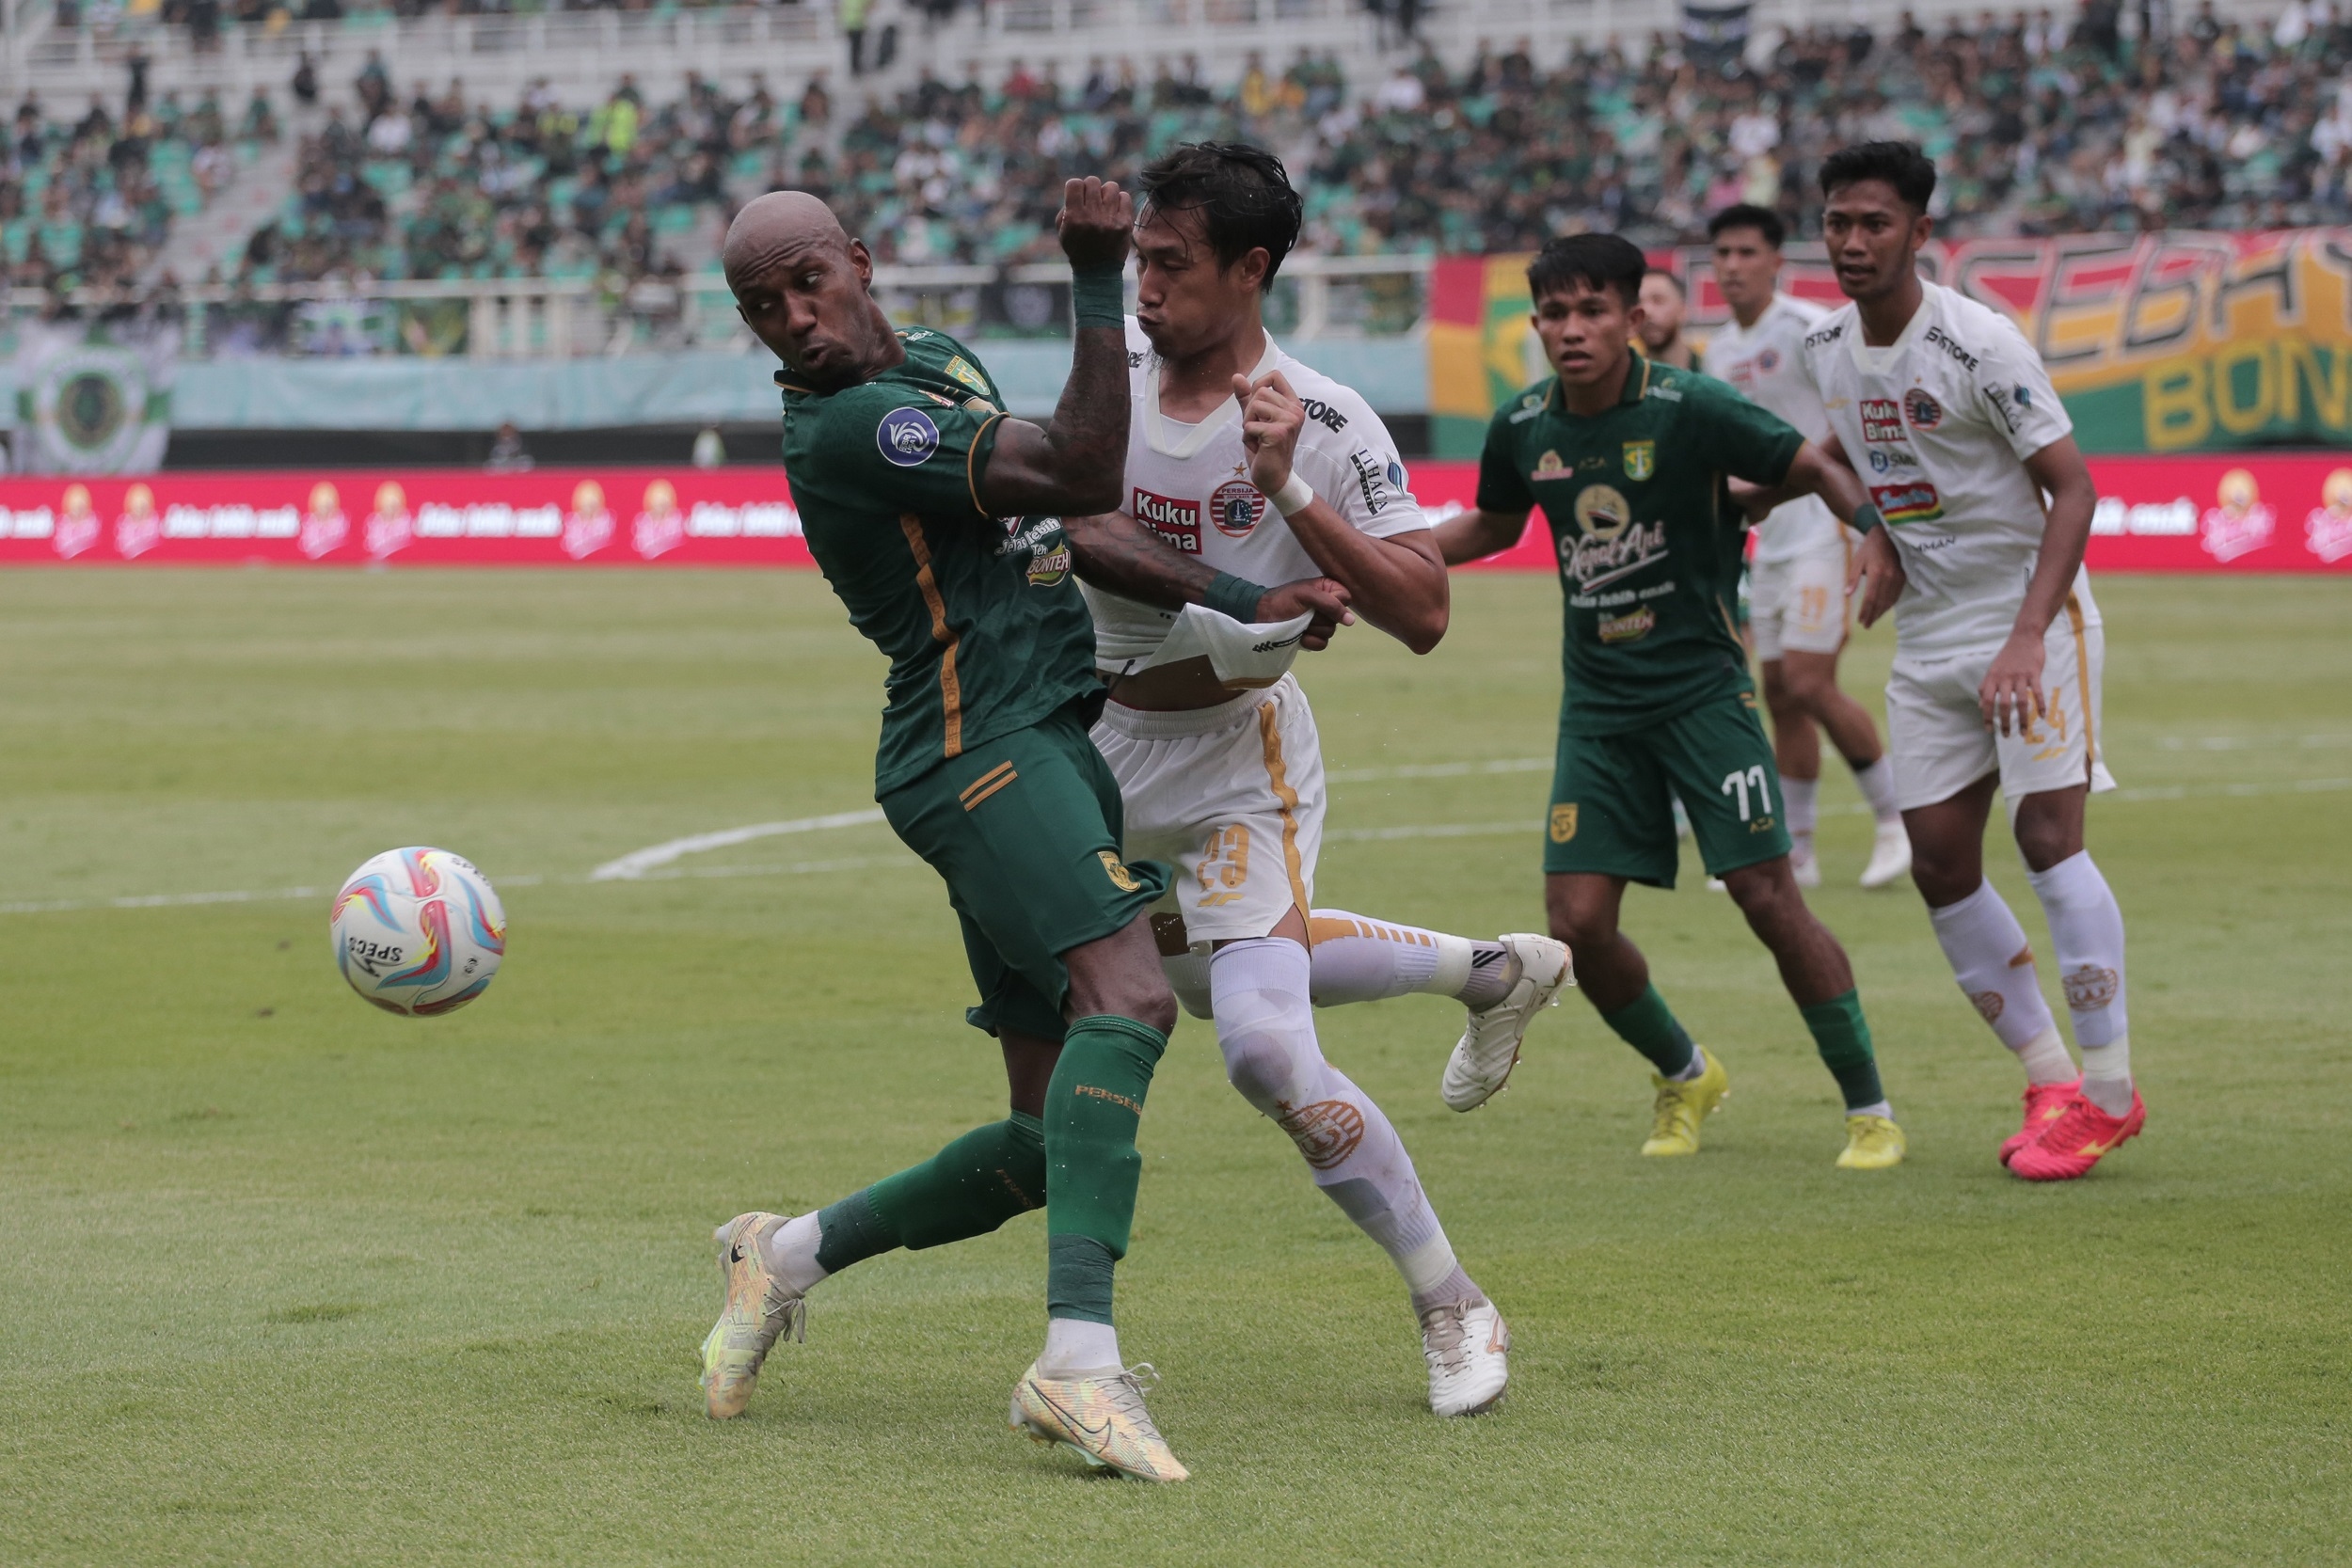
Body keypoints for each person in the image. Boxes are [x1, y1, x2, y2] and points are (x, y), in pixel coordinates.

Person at [701, 182, 1334, 1481]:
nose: (791, 318)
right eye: (761, 306)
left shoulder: (931, 363)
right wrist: (1098, 278)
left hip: (1042, 738)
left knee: (1046, 1138)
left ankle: (784, 1254)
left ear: (859, 262)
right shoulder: (850, 424)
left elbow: (1074, 521)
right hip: (977, 748)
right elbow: (1086, 466)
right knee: (1135, 998)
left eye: (807, 282)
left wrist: (1242, 593)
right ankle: (1079, 1363)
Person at [1064, 143, 1568, 1417]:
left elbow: (1425, 609)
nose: (1148, 290)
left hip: (1243, 760)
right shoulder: (1104, 385)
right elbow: (1062, 518)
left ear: (1250, 270)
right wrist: (1239, 591)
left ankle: (1452, 1298)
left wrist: (1289, 484)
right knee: (1190, 973)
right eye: (1139, 263)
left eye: (1172, 265)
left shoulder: (1328, 420)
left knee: (1264, 1045)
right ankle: (1491, 968)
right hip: (1099, 745)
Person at [1433, 233, 1905, 1170]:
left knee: (1768, 898)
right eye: (1555, 315)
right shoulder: (1523, 424)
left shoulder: (1690, 408)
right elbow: (1491, 520)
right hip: (1598, 711)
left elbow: (1804, 464)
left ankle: (1870, 1107)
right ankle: (1685, 1072)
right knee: (1574, 923)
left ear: (1631, 315)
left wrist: (1870, 532)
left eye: (1592, 311)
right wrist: (1374, 555)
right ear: (1536, 325)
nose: (1572, 331)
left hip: (1702, 695)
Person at [1799, 143, 2141, 1180]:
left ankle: (2111, 1092)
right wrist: (1875, 534)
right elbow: (1857, 457)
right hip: (1931, 634)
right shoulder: (1824, 347)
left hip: (2026, 617)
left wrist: (2030, 632)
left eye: (1875, 224)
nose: (1853, 242)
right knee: (1941, 859)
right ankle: (2049, 1080)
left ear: (1918, 234)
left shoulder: (1979, 342)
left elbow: (2071, 489)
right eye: (1838, 223)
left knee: (2046, 835)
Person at [1704, 203, 1910, 890]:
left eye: (1745, 253)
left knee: (1809, 680)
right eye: (1722, 254)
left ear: (1774, 261)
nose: (1732, 266)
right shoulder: (1719, 350)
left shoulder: (1808, 331)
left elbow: (1853, 415)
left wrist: (1865, 524)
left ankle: (1894, 820)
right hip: (1772, 539)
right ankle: (1800, 850)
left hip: (1826, 526)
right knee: (1779, 692)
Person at [1635, 267, 1699, 370]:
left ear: (1682, 309)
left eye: (1658, 300)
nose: (1646, 311)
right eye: (1638, 303)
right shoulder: (1625, 380)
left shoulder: (1713, 368)